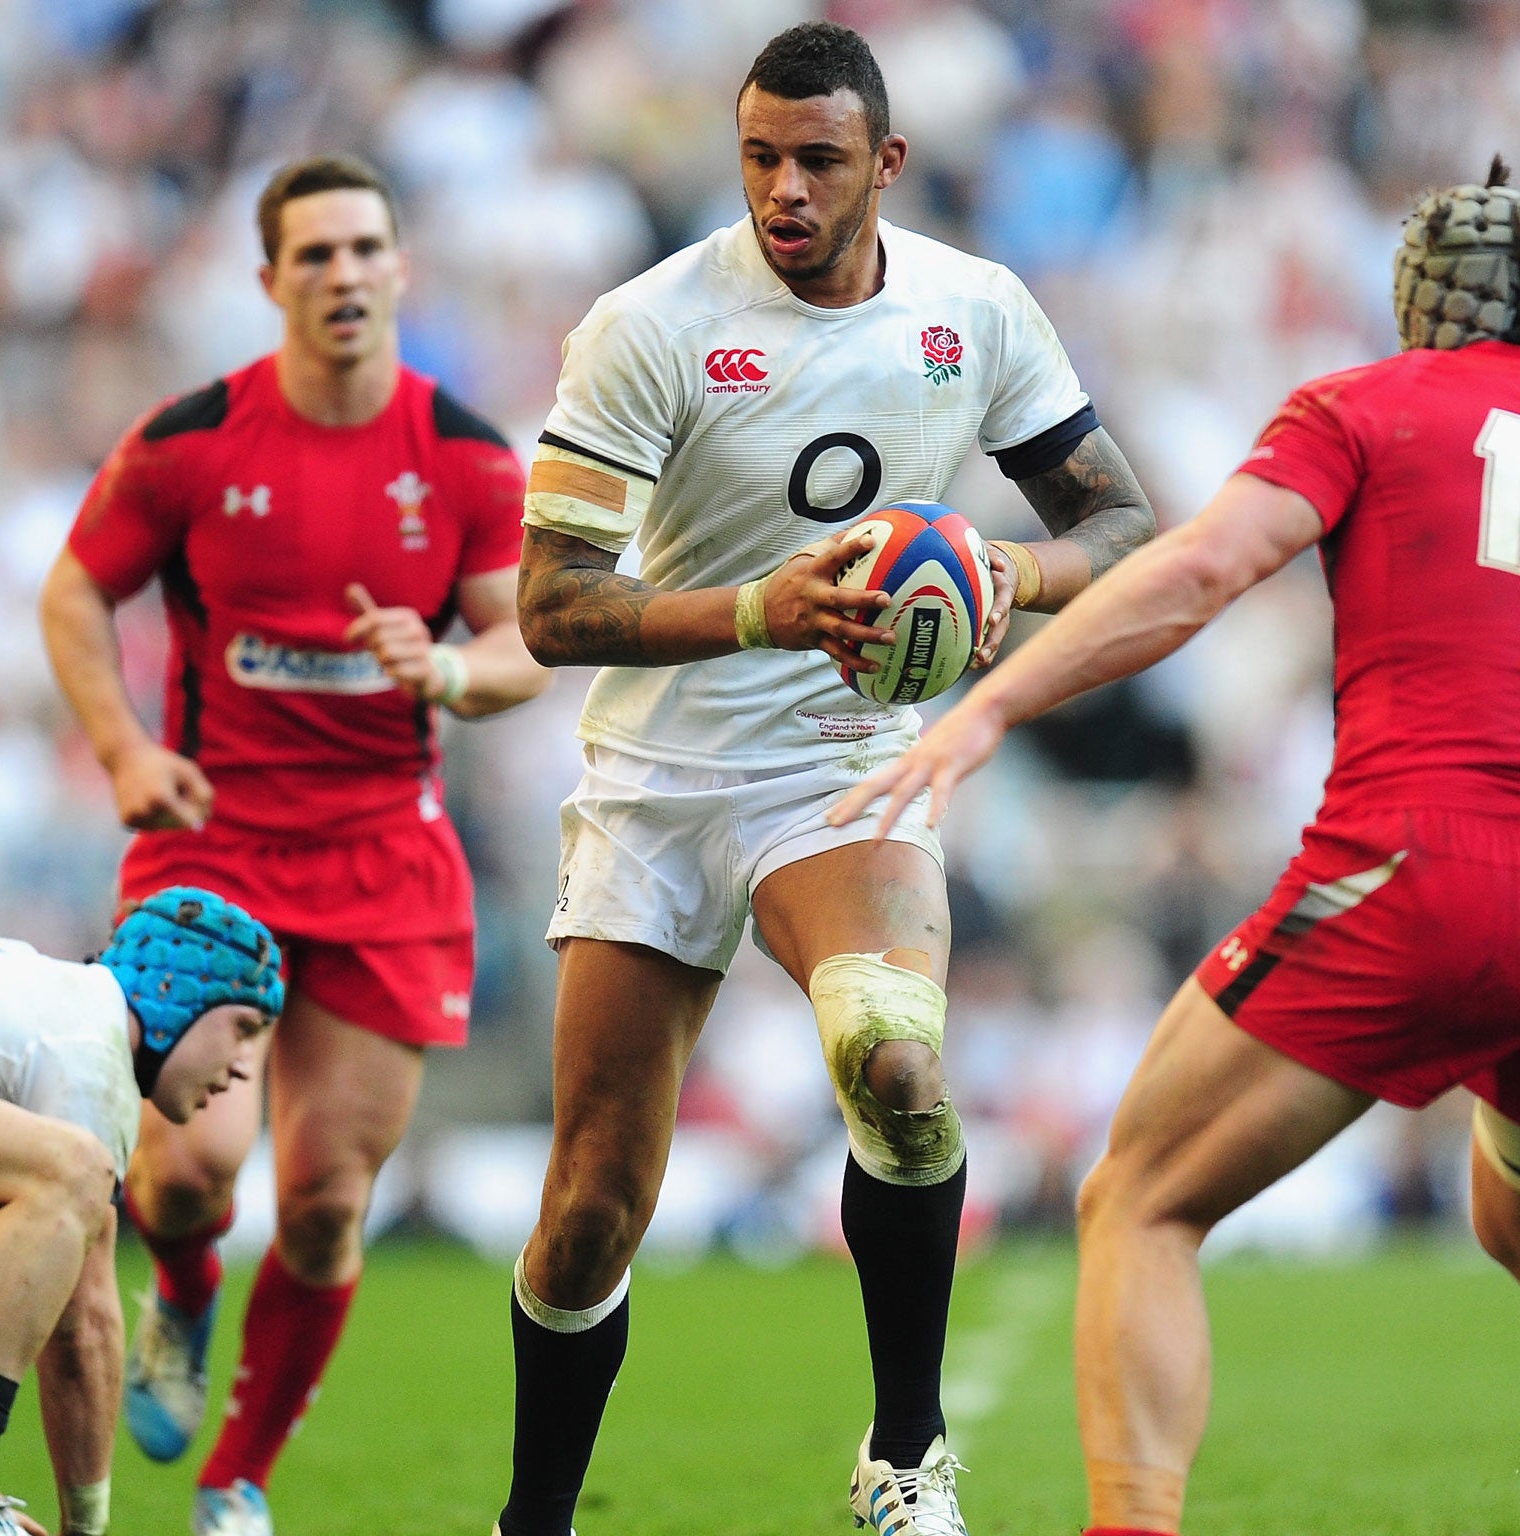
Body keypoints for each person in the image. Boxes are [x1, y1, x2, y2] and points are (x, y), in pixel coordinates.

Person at [833, 162, 1520, 1536]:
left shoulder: (1365, 406)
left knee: (1141, 1197)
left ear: (1415, 299)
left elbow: (1204, 570)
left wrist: (991, 700)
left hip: (1417, 873)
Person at [501, 20, 1154, 1536]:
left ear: (888, 165)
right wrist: (756, 607)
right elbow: (550, 607)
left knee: (900, 1069)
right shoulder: (649, 323)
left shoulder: (976, 311)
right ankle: (533, 1516)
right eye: (759, 158)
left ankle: (904, 1461)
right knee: (594, 1210)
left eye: (817, 161)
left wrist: (1011, 566)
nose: (783, 190)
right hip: (662, 778)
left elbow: (1124, 529)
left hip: (844, 765)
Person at [38, 155, 548, 1536]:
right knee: (187, 1182)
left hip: (388, 859)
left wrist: (447, 675)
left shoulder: (468, 457)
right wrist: (128, 752)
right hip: (214, 853)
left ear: (400, 269)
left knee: (324, 1202)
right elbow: (78, 595)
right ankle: (186, 1294)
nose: (341, 274)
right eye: (311, 254)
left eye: (363, 248)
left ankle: (236, 1482)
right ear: (269, 281)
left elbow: (521, 647)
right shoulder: (192, 441)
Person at [0, 888, 282, 1536]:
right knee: (74, 1169)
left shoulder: (28, 1001)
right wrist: (84, 1528)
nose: (242, 1067)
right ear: (178, 993)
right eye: (244, 1027)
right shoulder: (91, 1047)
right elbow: (84, 1327)